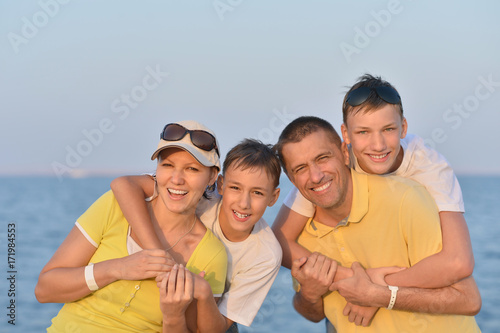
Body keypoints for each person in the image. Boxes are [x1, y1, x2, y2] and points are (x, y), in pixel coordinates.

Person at [274, 116, 481, 332]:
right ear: (290, 179)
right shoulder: (299, 239)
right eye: (300, 169)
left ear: (345, 153)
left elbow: (468, 300)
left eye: (323, 158)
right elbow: (313, 314)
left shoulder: (406, 200)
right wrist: (309, 294)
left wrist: (380, 295)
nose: (315, 176)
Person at [273, 74, 474, 289]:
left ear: (403, 127)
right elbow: (279, 242)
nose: (377, 145)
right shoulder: (332, 165)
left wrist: (375, 290)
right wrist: (347, 277)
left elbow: (459, 262)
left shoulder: (430, 167)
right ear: (346, 135)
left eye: (388, 129)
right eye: (363, 132)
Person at [35, 120, 228, 332]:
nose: (176, 179)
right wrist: (116, 268)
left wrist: (173, 316)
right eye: (167, 165)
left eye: (192, 169)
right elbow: (45, 289)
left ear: (211, 177)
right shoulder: (114, 206)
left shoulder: (211, 255)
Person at [110, 138, 282, 332]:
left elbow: (217, 328)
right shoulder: (198, 200)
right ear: (221, 185)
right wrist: (156, 256)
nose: (244, 203)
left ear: (273, 197)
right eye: (235, 188)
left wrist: (203, 291)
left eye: (257, 193)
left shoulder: (266, 255)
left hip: (215, 317)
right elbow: (124, 184)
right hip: (169, 296)